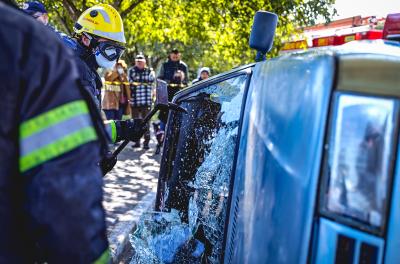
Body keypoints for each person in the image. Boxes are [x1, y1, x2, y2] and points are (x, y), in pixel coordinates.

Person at [0, 1, 144, 262]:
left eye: (117, 52)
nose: (114, 59)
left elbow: (73, 130)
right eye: (110, 50)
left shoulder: (68, 62)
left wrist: (121, 129)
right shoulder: (69, 70)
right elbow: (62, 158)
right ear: (87, 40)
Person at [128, 54, 155, 149]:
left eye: (141, 61)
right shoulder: (131, 70)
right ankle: (136, 141)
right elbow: (129, 81)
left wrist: (137, 80)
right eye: (137, 61)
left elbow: (151, 80)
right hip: (134, 100)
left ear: (144, 62)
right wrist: (141, 80)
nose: (139, 63)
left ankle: (146, 142)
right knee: (135, 123)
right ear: (135, 62)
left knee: (146, 123)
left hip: (146, 101)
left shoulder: (149, 71)